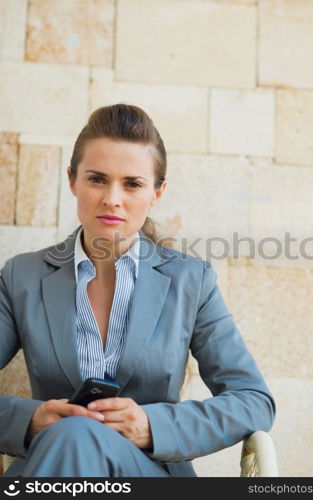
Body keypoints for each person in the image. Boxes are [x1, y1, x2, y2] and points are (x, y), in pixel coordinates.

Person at [0, 103, 275, 477]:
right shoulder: (22, 277)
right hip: (53, 466)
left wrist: (152, 425)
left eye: (132, 183)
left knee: (75, 435)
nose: (112, 198)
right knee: (73, 436)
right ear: (72, 181)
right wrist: (29, 420)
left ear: (157, 193)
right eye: (97, 179)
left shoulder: (191, 281)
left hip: (149, 473)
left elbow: (253, 401)